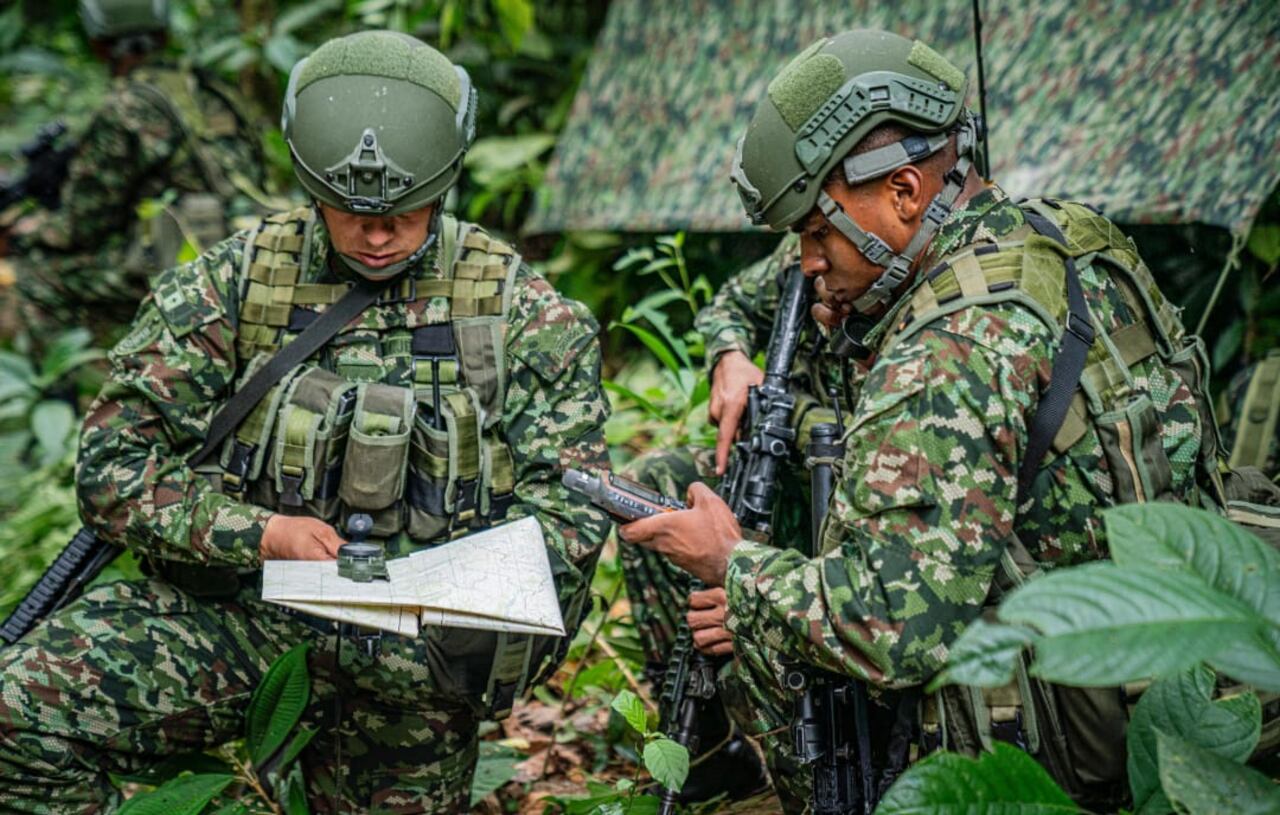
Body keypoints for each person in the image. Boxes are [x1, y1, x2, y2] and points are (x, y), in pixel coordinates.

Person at [0, 30, 611, 813]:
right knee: (18, 712)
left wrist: (454, 614)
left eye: (404, 209)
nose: (378, 234)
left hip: (411, 669)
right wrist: (254, 532)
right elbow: (115, 466)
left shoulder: (520, 311)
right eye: (350, 211)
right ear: (309, 182)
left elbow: (572, 509)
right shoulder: (239, 281)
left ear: (447, 179)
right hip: (237, 622)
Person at [623, 28, 1226, 812]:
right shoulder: (1067, 233)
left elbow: (885, 627)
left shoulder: (947, 349)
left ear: (904, 192)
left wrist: (732, 564)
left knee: (756, 613)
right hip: (1175, 649)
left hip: (1065, 725)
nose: (807, 263)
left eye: (815, 232)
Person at [0, 0, 269, 343]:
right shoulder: (209, 87)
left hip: (196, 263)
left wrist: (24, 235)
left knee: (34, 278)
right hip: (254, 244)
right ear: (164, 32)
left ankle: (60, 392)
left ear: (97, 43)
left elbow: (81, 226)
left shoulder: (126, 105)